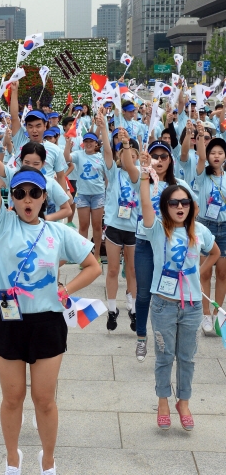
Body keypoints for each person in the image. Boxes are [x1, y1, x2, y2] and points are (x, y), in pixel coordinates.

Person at [0, 105, 101, 475]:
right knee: (12, 398)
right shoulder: (1, 221)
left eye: (34, 193)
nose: (27, 199)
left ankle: (48, 463)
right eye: (20, 192)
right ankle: (12, 459)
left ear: (44, 196)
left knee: (44, 399)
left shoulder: (59, 232)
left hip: (47, 322)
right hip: (7, 322)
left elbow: (92, 265)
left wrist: (66, 290)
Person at [140, 156, 219, 430]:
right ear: (165, 207)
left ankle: (183, 401)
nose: (180, 207)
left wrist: (199, 270)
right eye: (173, 203)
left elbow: (215, 252)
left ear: (191, 207)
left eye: (184, 202)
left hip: (193, 306)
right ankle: (163, 400)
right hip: (162, 303)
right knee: (164, 356)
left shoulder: (200, 230)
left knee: (187, 357)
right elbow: (146, 207)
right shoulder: (157, 230)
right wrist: (143, 176)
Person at [134, 140, 197, 362]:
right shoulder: (143, 179)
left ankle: (169, 335)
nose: (158, 161)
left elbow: (193, 208)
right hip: (144, 243)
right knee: (143, 293)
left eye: (163, 156)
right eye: (155, 156)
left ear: (170, 160)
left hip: (169, 246)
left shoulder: (179, 185)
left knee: (167, 294)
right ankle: (142, 337)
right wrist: (142, 169)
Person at [0, 123, 72, 222]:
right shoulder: (13, 176)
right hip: (16, 231)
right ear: (21, 161)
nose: (30, 167)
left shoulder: (50, 183)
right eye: (27, 162)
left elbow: (67, 209)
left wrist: (43, 219)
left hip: (42, 232)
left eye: (36, 163)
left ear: (43, 164)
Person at [102, 126, 140, 333]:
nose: (128, 158)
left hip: (134, 228)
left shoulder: (141, 174)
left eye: (132, 155)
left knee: (132, 271)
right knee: (113, 269)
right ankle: (111, 308)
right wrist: (102, 128)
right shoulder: (113, 172)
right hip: (115, 227)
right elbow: (107, 151)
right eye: (125, 154)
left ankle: (133, 310)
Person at [194, 133, 226, 335]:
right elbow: (200, 158)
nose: (216, 156)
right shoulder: (202, 175)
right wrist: (197, 135)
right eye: (212, 152)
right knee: (205, 272)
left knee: (223, 273)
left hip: (225, 227)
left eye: (220, 153)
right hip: (206, 226)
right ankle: (205, 314)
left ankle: (217, 315)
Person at [64, 130, 105, 262]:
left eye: (91, 141)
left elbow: (107, 177)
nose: (88, 144)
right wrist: (67, 145)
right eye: (86, 141)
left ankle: (97, 254)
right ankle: (84, 257)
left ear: (95, 144)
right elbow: (67, 158)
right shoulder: (78, 155)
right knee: (83, 226)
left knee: (97, 226)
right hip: (82, 195)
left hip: (98, 195)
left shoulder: (101, 157)